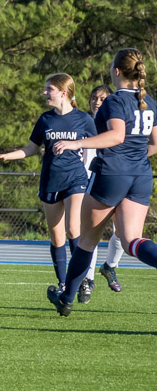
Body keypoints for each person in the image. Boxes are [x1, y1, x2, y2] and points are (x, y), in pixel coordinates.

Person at [48, 49, 157, 315]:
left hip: (111, 174)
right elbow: (154, 144)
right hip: (141, 176)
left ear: (116, 71)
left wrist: (76, 143)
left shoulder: (115, 100)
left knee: (87, 241)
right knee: (132, 240)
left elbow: (117, 136)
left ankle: (67, 299)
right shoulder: (149, 101)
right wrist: (131, 161)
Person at [0, 74, 95, 297]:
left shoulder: (83, 119)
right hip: (50, 181)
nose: (45, 93)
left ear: (63, 92)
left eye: (49, 89)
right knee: (56, 238)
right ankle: (63, 283)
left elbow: (100, 142)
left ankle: (81, 280)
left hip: (76, 179)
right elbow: (31, 149)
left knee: (74, 229)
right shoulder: (45, 120)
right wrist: (5, 157)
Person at [86, 84, 124, 293]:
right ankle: (88, 280)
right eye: (94, 98)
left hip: (115, 181)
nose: (97, 102)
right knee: (91, 233)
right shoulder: (84, 122)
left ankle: (110, 266)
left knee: (123, 232)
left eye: (101, 98)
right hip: (90, 183)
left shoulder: (117, 127)